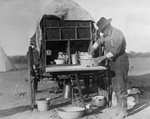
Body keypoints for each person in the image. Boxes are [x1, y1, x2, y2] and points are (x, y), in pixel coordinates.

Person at [89, 17, 129, 111]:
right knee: (115, 86)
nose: (102, 32)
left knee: (121, 87)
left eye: (103, 30)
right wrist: (92, 49)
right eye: (101, 31)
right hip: (112, 62)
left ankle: (123, 111)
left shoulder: (117, 34)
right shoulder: (106, 34)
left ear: (108, 26)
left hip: (120, 61)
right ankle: (119, 109)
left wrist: (101, 58)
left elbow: (116, 51)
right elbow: (99, 41)